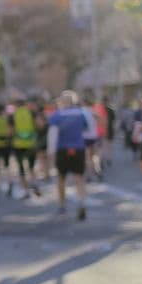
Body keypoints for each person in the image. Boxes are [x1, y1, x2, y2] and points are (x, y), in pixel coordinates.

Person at [47, 90, 89, 221]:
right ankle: (82, 202)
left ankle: (62, 205)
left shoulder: (57, 115)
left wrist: (51, 152)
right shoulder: (81, 113)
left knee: (61, 178)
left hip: (63, 149)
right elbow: (87, 130)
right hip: (79, 148)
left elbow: (52, 135)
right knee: (79, 178)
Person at [9, 98, 40, 198]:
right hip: (31, 143)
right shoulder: (31, 113)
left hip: (18, 145)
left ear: (16, 105)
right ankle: (34, 183)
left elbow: (10, 131)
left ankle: (26, 191)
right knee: (31, 166)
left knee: (21, 168)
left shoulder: (13, 115)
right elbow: (39, 124)